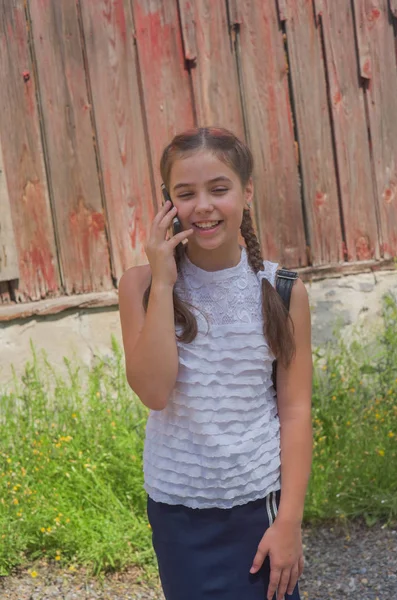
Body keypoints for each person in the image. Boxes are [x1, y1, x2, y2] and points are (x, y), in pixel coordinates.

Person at [118, 127, 313, 600]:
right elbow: (154, 392)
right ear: (169, 204)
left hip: (257, 508)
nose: (202, 205)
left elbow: (295, 412)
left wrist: (289, 521)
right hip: (178, 514)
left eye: (219, 189)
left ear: (247, 193)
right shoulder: (140, 286)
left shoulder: (282, 291)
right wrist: (164, 284)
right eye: (185, 193)